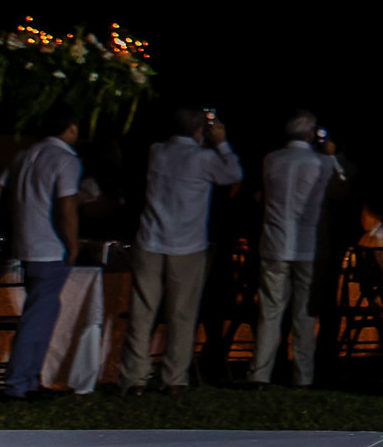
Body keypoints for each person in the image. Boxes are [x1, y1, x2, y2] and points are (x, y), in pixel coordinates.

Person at [118, 106, 242, 396]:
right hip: (187, 244)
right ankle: (174, 378)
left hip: (151, 239)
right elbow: (233, 173)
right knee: (182, 314)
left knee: (142, 312)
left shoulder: (157, 152)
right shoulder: (205, 158)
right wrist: (221, 141)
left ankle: (134, 379)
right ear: (201, 130)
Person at [0, 105, 81, 399]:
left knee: (39, 312)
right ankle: (17, 383)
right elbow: (66, 206)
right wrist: (73, 243)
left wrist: (10, 227)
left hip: (25, 243)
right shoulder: (65, 159)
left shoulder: (24, 155)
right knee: (38, 317)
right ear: (70, 128)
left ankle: (29, 380)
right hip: (50, 247)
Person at [249, 111, 344, 389]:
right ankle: (303, 375)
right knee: (304, 313)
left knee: (270, 310)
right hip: (307, 246)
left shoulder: (272, 159)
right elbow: (340, 188)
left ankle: (259, 373)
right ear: (310, 134)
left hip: (275, 242)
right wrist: (331, 155)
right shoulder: (320, 163)